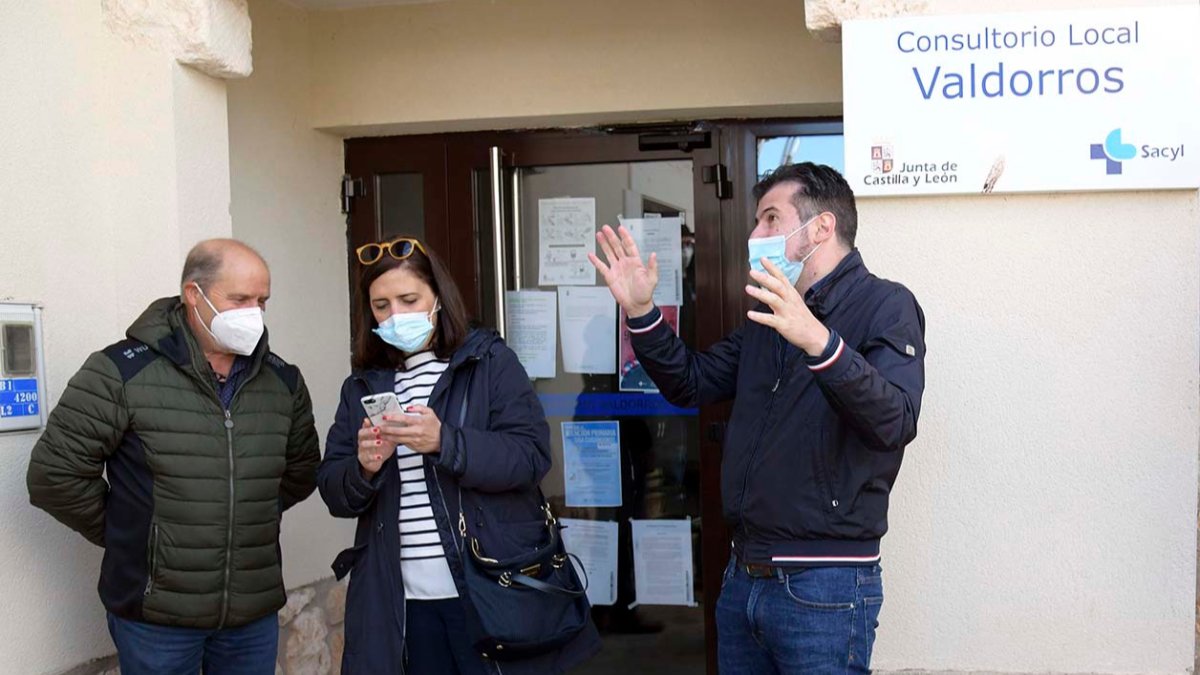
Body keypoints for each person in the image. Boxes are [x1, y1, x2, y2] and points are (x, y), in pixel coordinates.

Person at [589, 163, 926, 674]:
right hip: (743, 575)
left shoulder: (886, 305)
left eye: (771, 218)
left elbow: (894, 420)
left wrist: (818, 340)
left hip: (825, 585)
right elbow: (691, 382)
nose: (755, 235)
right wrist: (642, 313)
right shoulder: (768, 319)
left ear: (821, 228)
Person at [26, 239, 321, 675]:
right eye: (239, 299)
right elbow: (55, 474)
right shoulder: (121, 372)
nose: (253, 313)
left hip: (250, 616)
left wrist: (239, 519)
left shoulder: (282, 381)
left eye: (262, 301)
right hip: (156, 620)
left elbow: (300, 473)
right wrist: (135, 536)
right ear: (193, 295)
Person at [318, 237, 600, 674]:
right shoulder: (363, 386)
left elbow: (530, 456)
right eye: (381, 306)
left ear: (438, 298)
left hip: (487, 587)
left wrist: (444, 442)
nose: (395, 316)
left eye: (409, 299)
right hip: (402, 601)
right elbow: (335, 492)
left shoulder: (488, 362)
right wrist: (363, 468)